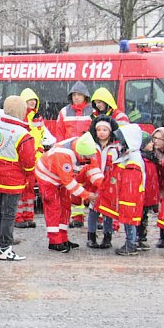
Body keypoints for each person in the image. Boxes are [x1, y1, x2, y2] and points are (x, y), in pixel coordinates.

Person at [0, 96, 36, 261]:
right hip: (13, 180)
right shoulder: (23, 134)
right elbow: (29, 161)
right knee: (9, 215)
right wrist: (29, 175)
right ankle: (5, 247)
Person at [34, 132, 98, 253]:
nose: (87, 161)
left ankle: (63, 238)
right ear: (80, 153)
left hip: (60, 178)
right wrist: (87, 195)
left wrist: (102, 185)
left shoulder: (84, 148)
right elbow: (69, 182)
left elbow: (92, 169)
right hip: (47, 178)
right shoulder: (63, 155)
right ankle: (54, 241)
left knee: (65, 206)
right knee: (54, 207)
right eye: (85, 158)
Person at [95, 125, 145, 255]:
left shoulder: (133, 159)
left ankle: (130, 244)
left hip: (129, 197)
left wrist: (123, 197)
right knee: (129, 220)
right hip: (128, 195)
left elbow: (130, 182)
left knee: (130, 220)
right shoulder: (131, 154)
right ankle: (131, 243)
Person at [56, 81, 94, 228]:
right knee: (73, 185)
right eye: (74, 95)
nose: (77, 98)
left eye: (79, 95)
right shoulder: (64, 112)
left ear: (86, 96)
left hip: (88, 154)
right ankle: (77, 217)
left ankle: (97, 218)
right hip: (70, 154)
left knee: (91, 185)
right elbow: (59, 134)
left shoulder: (92, 111)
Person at [14, 88, 48, 229]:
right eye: (29, 100)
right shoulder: (20, 117)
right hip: (22, 159)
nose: (32, 102)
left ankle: (28, 216)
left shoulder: (37, 117)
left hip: (34, 158)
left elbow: (40, 136)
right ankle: (18, 218)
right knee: (20, 190)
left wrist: (39, 150)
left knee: (29, 190)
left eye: (34, 100)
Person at [83, 116, 118, 249]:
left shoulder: (115, 147)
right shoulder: (92, 146)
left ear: (110, 131)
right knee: (93, 210)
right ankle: (91, 237)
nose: (101, 132)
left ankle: (107, 237)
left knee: (107, 210)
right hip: (94, 183)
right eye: (99, 130)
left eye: (105, 130)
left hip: (109, 183)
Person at [138, 132, 158, 251]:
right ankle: (138, 238)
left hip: (149, 195)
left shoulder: (151, 158)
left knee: (144, 217)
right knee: (140, 217)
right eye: (150, 142)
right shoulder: (143, 159)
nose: (153, 143)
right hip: (143, 194)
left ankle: (142, 238)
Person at [151, 127, 164, 248]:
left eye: (160, 139)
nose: (156, 141)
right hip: (160, 184)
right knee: (162, 212)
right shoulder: (154, 153)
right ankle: (162, 237)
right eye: (154, 138)